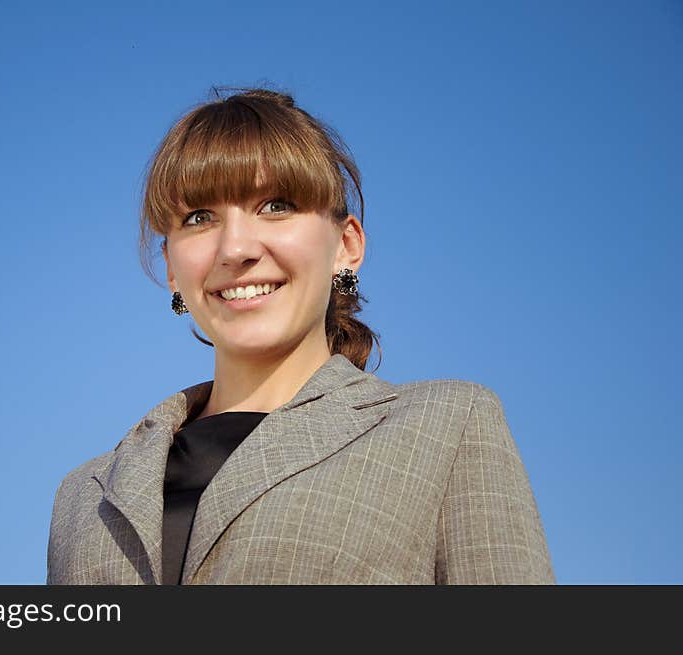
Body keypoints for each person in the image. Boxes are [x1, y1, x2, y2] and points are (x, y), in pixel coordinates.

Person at [46, 87, 555, 585]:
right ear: (172, 269)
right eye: (200, 217)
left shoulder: (446, 427)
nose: (235, 248)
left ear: (346, 247)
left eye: (276, 206)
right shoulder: (82, 497)